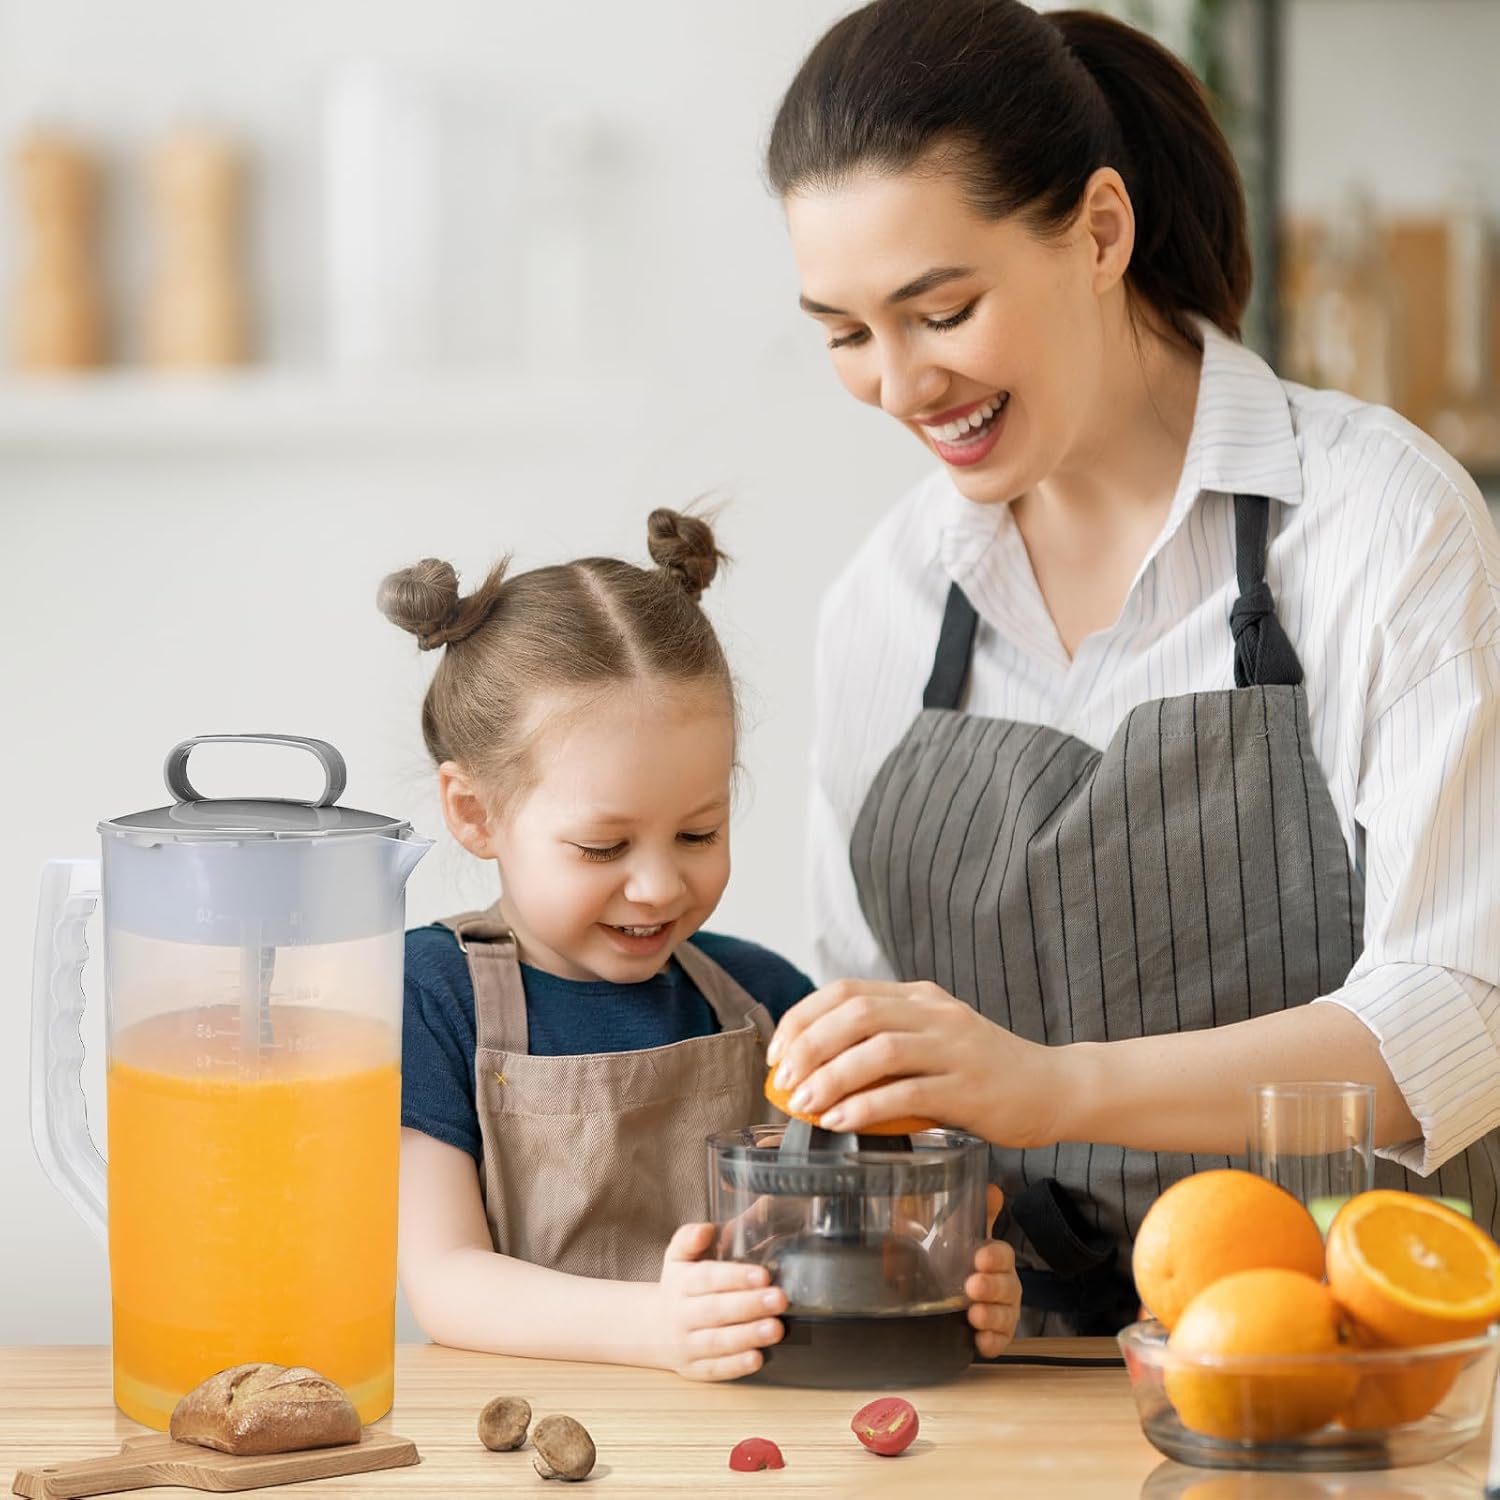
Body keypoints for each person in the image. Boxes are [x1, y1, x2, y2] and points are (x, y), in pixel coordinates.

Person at [762, 0, 1500, 1336]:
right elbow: (870, 1016)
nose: (901, 385)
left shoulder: (1379, 522)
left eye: (941, 311)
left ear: (1102, 231)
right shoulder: (885, 599)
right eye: (846, 333)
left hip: (1347, 1357)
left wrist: (1052, 1087)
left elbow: (1461, 1015)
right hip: (1003, 1376)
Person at [380, 508, 1022, 1376]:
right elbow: (447, 1281)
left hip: (764, 1427)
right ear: (474, 813)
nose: (658, 886)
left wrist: (950, 1280)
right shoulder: (430, 995)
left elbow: (870, 1234)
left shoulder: (767, 1000)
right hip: (533, 1432)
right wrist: (658, 1326)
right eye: (603, 846)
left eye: (698, 833)